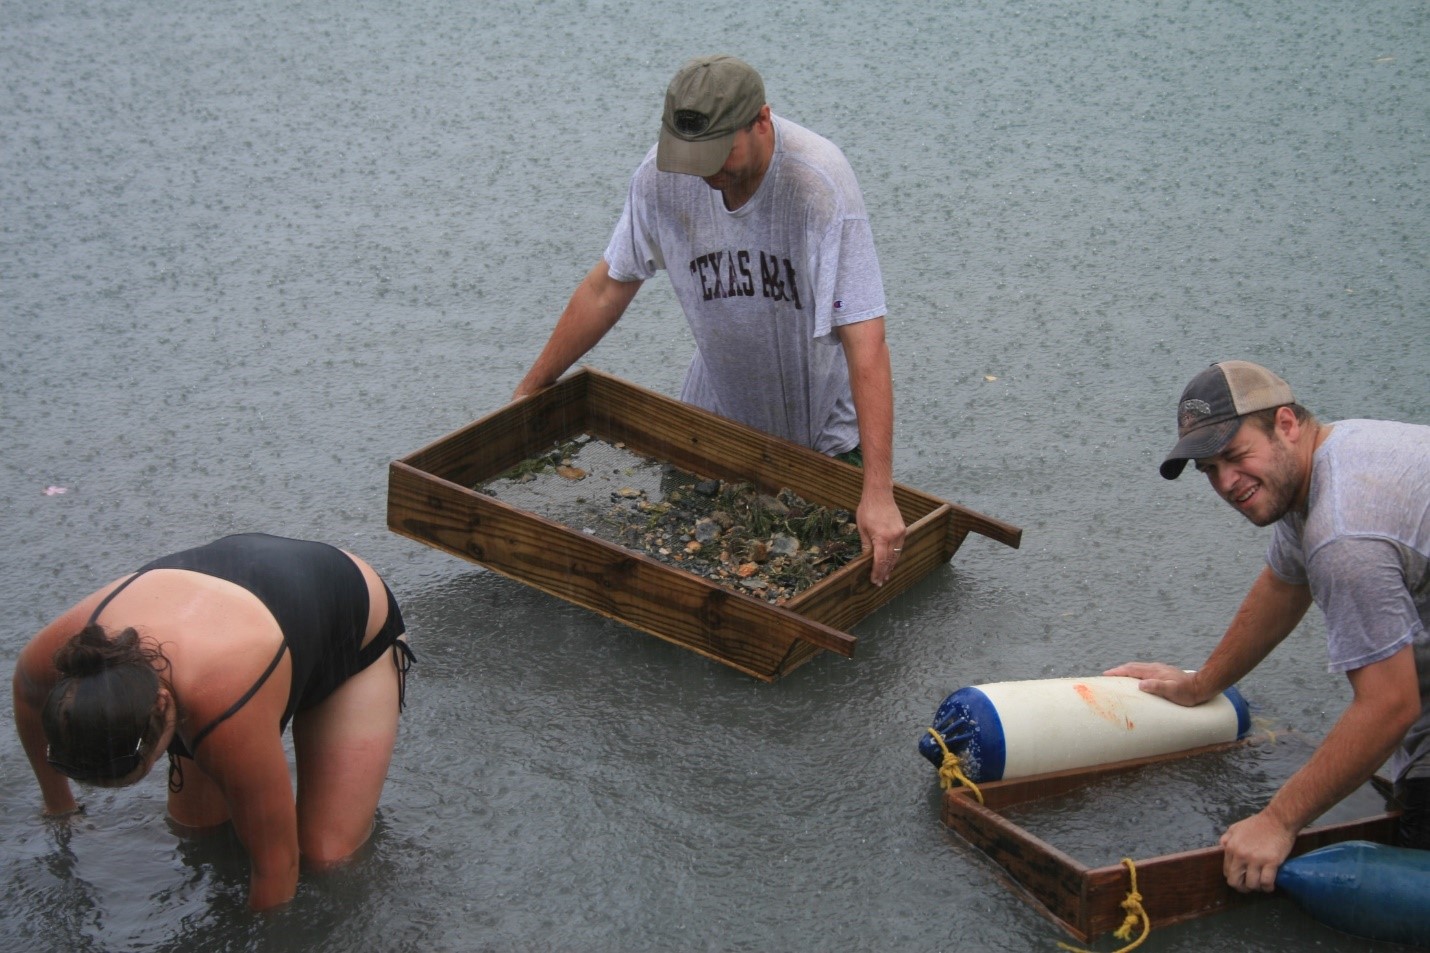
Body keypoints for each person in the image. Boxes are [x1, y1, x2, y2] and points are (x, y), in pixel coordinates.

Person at [513, 54, 907, 585]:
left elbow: (866, 340)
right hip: (708, 428)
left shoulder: (818, 184)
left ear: (762, 121)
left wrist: (879, 493)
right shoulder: (661, 179)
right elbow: (607, 288)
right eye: (692, 155)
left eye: (720, 152)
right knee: (684, 581)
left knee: (823, 584)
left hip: (819, 439)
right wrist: (531, 389)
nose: (705, 170)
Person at [1107, 360, 1429, 893]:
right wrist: (1200, 684)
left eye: (1234, 456)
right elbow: (1284, 585)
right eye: (1209, 470)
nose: (1227, 483)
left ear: (1286, 424)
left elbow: (1390, 704)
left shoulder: (1345, 534)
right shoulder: (1326, 460)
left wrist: (1277, 821)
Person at [11, 533, 415, 911]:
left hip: (346, 622)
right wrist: (59, 808)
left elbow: (277, 867)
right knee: (196, 832)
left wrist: (267, 937)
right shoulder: (58, 657)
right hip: (239, 606)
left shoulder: (224, 711)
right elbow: (28, 704)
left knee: (326, 857)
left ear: (163, 706)